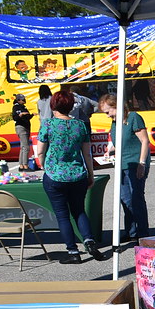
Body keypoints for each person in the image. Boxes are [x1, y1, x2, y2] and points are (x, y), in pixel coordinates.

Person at [35, 90, 105, 265]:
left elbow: (40, 151)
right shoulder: (80, 125)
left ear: (53, 105)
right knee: (79, 211)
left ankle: (73, 252)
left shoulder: (48, 124)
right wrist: (90, 174)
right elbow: (87, 154)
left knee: (62, 215)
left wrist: (44, 165)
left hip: (55, 175)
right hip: (77, 174)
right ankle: (89, 240)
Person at [99, 92, 151, 243]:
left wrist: (142, 163)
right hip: (122, 165)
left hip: (135, 163)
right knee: (125, 199)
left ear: (115, 106)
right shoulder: (115, 123)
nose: (108, 115)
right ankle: (131, 231)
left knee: (136, 198)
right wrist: (110, 150)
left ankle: (142, 232)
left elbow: (145, 141)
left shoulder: (133, 117)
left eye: (108, 112)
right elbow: (119, 142)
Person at [12, 93, 33, 170]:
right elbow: (15, 117)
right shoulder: (16, 107)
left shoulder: (23, 107)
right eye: (23, 99)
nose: (24, 100)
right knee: (26, 147)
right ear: (19, 100)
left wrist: (31, 115)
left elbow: (27, 117)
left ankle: (21, 165)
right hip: (21, 127)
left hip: (26, 127)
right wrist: (21, 114)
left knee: (23, 147)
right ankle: (25, 165)